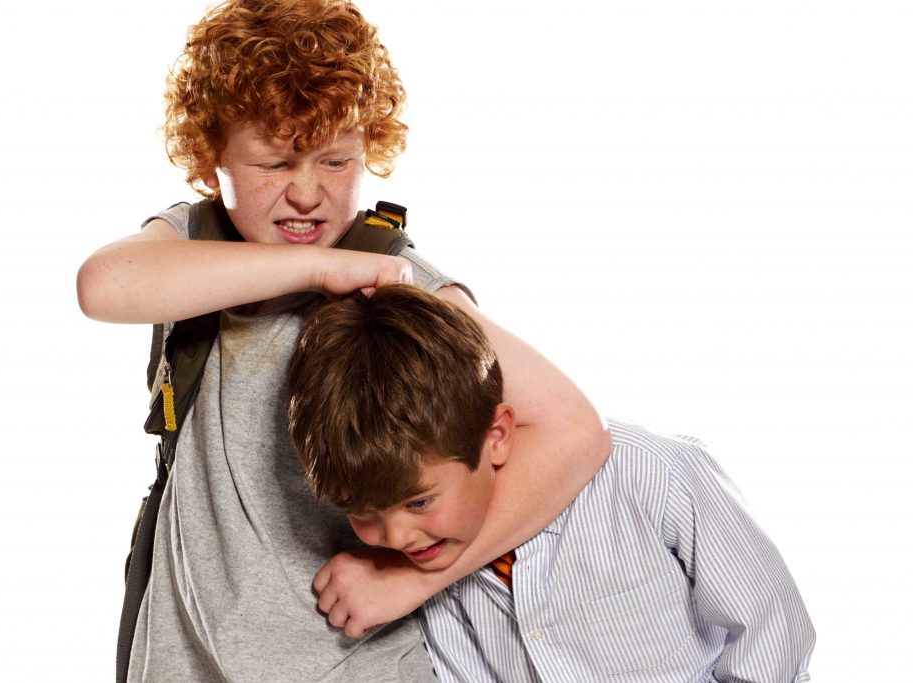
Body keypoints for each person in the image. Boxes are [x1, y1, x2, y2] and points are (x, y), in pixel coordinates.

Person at [76, 0, 609, 680]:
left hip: (349, 661)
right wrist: (316, 269)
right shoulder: (191, 245)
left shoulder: (393, 283)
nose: (307, 194)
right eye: (275, 163)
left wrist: (410, 582)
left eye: (335, 162)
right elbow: (102, 285)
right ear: (211, 161)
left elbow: (572, 429)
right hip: (184, 661)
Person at [287, 284, 816, 683]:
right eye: (365, 512)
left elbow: (771, 626)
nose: (398, 536)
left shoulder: (649, 474)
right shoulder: (430, 582)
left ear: (496, 436)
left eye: (419, 501)